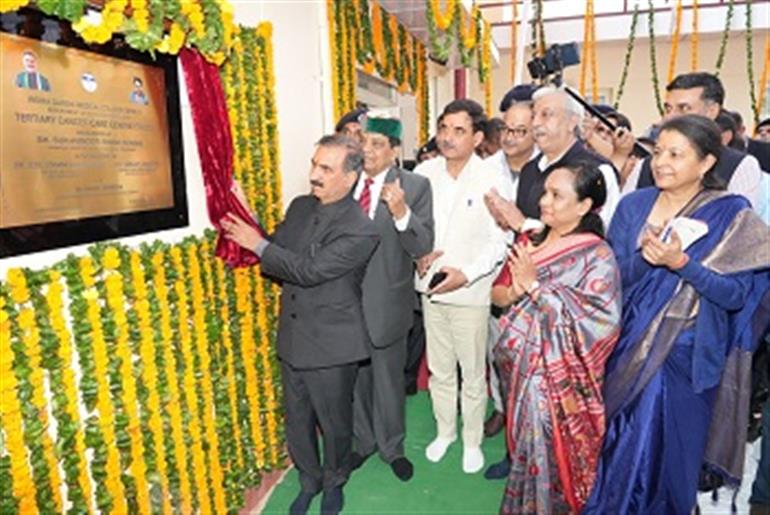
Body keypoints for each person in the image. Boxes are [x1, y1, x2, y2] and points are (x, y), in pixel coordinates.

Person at [584, 115, 770, 515]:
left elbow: (736, 295)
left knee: (672, 458)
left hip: (689, 354)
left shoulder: (731, 212)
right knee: (619, 450)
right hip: (628, 346)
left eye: (675, 154)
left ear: (705, 163)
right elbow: (612, 280)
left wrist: (682, 262)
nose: (661, 162)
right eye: (657, 151)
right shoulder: (634, 205)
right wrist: (649, 258)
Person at [220, 134, 379, 515]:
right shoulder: (301, 206)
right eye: (314, 164)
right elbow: (279, 245)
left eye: (326, 168)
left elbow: (308, 271)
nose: (314, 175)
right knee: (297, 419)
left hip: (331, 344)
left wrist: (257, 244)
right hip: (293, 338)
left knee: (335, 422)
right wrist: (248, 217)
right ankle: (308, 480)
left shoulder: (360, 228)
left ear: (351, 176)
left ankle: (334, 480)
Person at [490, 161, 622, 514]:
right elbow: (497, 295)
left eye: (556, 195)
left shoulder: (597, 255)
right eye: (545, 192)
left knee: (548, 454)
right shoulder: (530, 239)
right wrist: (519, 289)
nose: (544, 201)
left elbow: (601, 324)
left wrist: (535, 286)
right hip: (517, 369)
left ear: (583, 206)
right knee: (523, 449)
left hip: (555, 381)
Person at [414, 99, 508, 474]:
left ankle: (471, 440)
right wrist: (415, 253)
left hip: (470, 291)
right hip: (431, 287)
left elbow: (498, 242)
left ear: (477, 137)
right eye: (444, 129)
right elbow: (412, 227)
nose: (449, 138)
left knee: (472, 372)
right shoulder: (424, 172)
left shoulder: (492, 178)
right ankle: (445, 432)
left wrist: (466, 274)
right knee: (439, 369)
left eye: (459, 131)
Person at [350, 115, 434, 481]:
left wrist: (402, 214)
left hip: (387, 301)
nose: (367, 151)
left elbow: (423, 245)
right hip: (345, 302)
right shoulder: (347, 181)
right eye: (363, 143)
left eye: (377, 144)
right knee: (355, 379)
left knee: (386, 379)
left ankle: (392, 447)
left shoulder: (415, 186)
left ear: (395, 151)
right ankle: (362, 442)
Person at [484, 86, 621, 234]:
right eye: (534, 116)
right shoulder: (529, 169)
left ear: (572, 122)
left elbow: (596, 237)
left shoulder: (596, 170)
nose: (536, 123)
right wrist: (506, 220)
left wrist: (524, 224)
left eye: (546, 115)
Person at [622, 72, 763, 210]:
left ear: (711, 111)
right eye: (668, 109)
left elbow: (740, 226)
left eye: (684, 108)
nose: (671, 117)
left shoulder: (739, 166)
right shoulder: (645, 167)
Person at [482, 100, 537, 438]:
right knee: (495, 348)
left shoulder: (546, 171)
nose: (510, 138)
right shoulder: (485, 168)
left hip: (534, 275)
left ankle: (527, 418)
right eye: (505, 129)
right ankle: (501, 409)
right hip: (493, 273)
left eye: (520, 131)